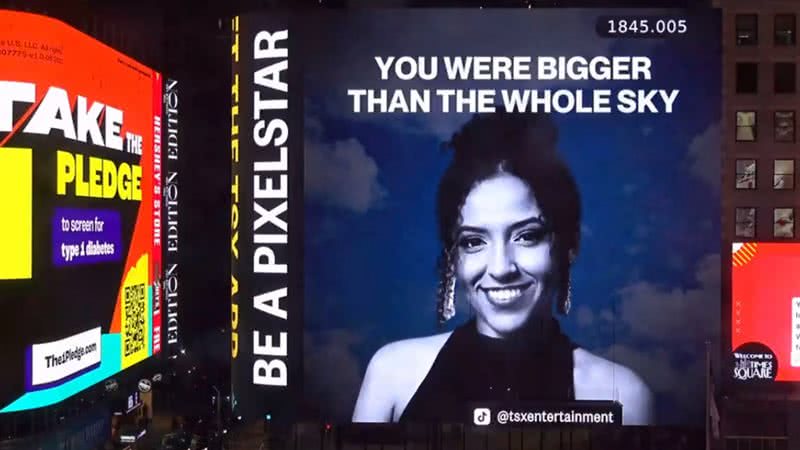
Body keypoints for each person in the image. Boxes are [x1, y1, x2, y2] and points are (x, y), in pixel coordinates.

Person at [352, 112, 654, 425]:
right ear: (452, 258)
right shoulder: (392, 373)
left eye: (528, 236)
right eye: (473, 242)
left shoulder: (623, 396)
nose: (500, 267)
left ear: (569, 245)